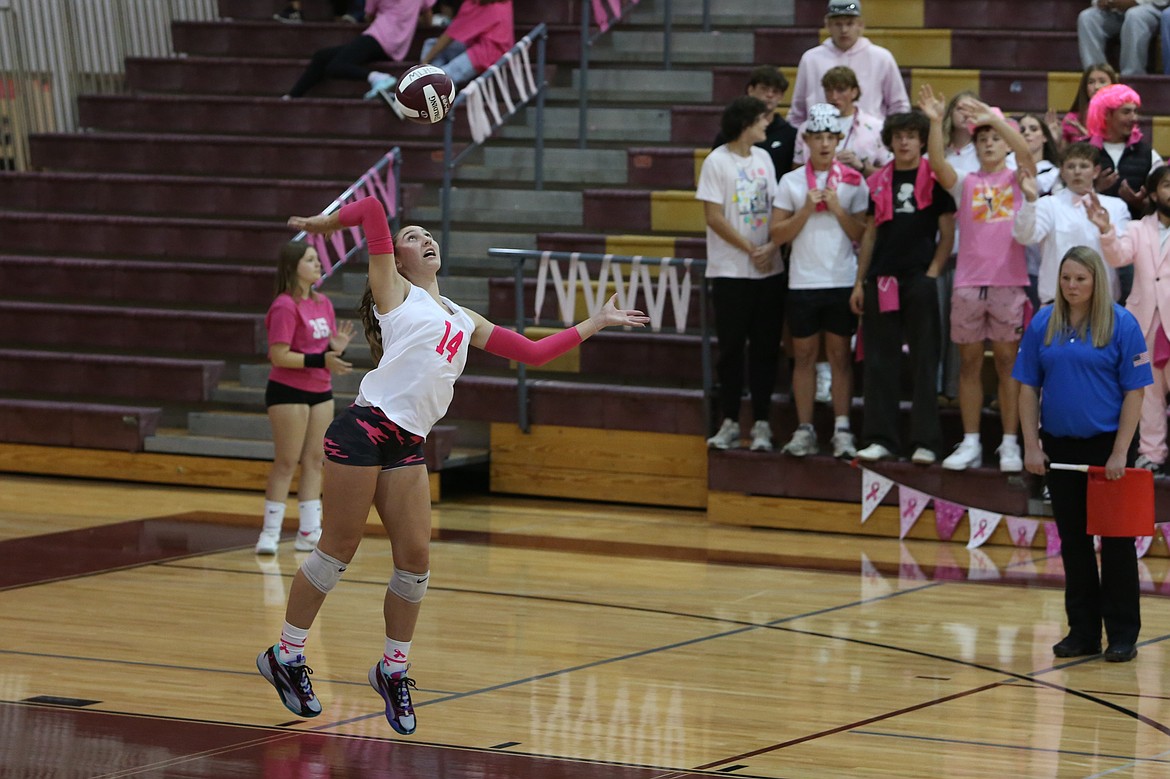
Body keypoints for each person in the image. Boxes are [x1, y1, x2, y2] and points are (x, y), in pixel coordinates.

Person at [255, 196, 649, 733]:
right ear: (395, 257)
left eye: (427, 234)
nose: (426, 239)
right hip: (364, 430)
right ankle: (286, 654)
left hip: (407, 442)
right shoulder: (392, 291)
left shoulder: (462, 317)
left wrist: (594, 322)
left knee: (415, 561)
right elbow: (371, 208)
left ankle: (393, 671)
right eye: (413, 236)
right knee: (337, 551)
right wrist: (327, 224)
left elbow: (532, 354)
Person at [1014, 245, 1151, 663]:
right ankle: (1082, 632)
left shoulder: (1122, 325)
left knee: (1116, 544)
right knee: (1073, 542)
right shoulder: (1043, 322)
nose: (1072, 286)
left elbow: (1135, 391)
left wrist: (1119, 453)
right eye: (1066, 278)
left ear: (1097, 281)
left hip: (1107, 449)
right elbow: (1026, 388)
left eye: (1081, 279)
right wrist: (1032, 445)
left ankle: (1123, 633)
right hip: (1060, 448)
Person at [919, 88, 1034, 474]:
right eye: (982, 138)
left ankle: (1009, 444)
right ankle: (970, 442)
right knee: (967, 365)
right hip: (968, 283)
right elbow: (936, 162)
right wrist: (936, 121)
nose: (988, 144)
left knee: (1007, 363)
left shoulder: (1019, 177)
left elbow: (1026, 151)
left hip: (1008, 282)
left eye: (995, 139)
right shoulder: (965, 182)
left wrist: (992, 116)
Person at [852, 110, 956, 464]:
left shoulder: (936, 177)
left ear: (923, 140)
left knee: (925, 361)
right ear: (890, 140)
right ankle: (881, 437)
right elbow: (870, 232)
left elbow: (947, 232)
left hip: (920, 280)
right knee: (880, 360)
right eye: (898, 136)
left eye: (911, 135)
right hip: (881, 279)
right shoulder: (879, 180)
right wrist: (858, 281)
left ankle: (926, 441)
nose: (904, 141)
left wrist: (932, 273)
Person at [771, 103, 868, 458]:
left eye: (831, 137)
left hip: (841, 278)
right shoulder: (791, 182)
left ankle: (842, 428)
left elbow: (863, 233)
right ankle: (805, 428)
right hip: (802, 281)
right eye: (818, 138)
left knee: (840, 357)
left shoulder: (855, 182)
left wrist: (839, 209)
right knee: (804, 356)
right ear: (807, 140)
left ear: (838, 139)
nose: (825, 144)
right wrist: (807, 210)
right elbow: (778, 234)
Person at [256, 241, 355, 555]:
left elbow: (318, 352)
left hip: (320, 390)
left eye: (317, 259)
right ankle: (270, 533)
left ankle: (309, 531)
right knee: (286, 462)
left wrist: (334, 348)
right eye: (310, 260)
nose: (317, 264)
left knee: (315, 460)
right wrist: (321, 359)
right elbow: (279, 355)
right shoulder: (284, 305)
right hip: (288, 391)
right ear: (293, 266)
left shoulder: (323, 302)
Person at [699, 96, 784, 452]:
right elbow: (713, 217)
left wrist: (772, 247)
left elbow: (778, 209)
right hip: (731, 272)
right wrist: (751, 249)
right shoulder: (716, 162)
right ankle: (730, 420)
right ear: (745, 123)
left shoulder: (764, 158)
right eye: (761, 119)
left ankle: (762, 422)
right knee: (731, 350)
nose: (767, 124)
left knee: (766, 349)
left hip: (769, 272)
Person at [1099, 166, 1170, 473]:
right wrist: (1105, 231)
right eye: (1167, 185)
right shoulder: (1139, 229)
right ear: (1154, 193)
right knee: (1149, 391)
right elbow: (1118, 257)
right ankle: (1152, 453)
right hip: (1144, 322)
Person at [1013, 142, 1131, 305]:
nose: (1077, 172)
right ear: (1061, 171)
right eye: (1070, 166)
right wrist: (1030, 200)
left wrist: (1105, 229)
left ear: (1096, 171)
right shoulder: (1048, 204)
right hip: (1055, 301)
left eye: (1083, 166)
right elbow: (1025, 237)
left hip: (1102, 302)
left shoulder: (1116, 207)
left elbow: (1122, 257)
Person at [787, 0, 910, 127]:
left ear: (860, 25)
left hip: (869, 140)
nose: (844, 30)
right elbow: (798, 111)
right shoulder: (811, 59)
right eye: (838, 24)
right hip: (821, 138)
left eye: (850, 24)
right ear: (828, 25)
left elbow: (899, 106)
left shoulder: (881, 58)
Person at [283, 0, 435, 100]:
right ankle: (292, 96)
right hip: (396, 45)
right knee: (322, 56)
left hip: (378, 36)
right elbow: (428, 18)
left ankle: (377, 78)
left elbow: (368, 16)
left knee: (335, 66)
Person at [792, 66, 892, 177]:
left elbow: (889, 176)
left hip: (859, 191)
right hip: (815, 191)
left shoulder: (876, 127)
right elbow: (797, 169)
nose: (834, 97)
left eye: (841, 90)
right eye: (829, 90)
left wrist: (862, 168)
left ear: (854, 92)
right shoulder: (807, 127)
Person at [712, 65, 798, 180]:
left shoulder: (790, 135)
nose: (770, 95)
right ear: (751, 90)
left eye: (775, 91)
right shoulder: (730, 134)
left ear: (781, 97)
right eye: (764, 89)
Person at [1017, 112, 1064, 308]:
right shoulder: (1007, 169)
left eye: (1033, 129)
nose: (1027, 133)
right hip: (1010, 257)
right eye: (1022, 130)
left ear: (1045, 137)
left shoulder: (1056, 174)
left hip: (1042, 259)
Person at [417, 0, 513, 88]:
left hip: (487, 55)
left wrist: (425, 60)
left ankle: (434, 84)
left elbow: (448, 37)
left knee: (440, 80)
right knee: (430, 44)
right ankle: (430, 75)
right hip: (478, 45)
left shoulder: (476, 4)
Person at [1077, 0, 1167, 76]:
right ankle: (1097, 77)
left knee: (1134, 15)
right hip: (1115, 9)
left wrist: (1136, 1)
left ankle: (1131, 78)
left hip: (1151, 6)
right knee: (1087, 17)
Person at [1061, 63, 1118, 146]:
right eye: (1091, 82)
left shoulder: (1121, 117)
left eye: (1102, 81)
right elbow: (1063, 155)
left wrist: (1086, 135)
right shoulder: (1072, 119)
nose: (1096, 87)